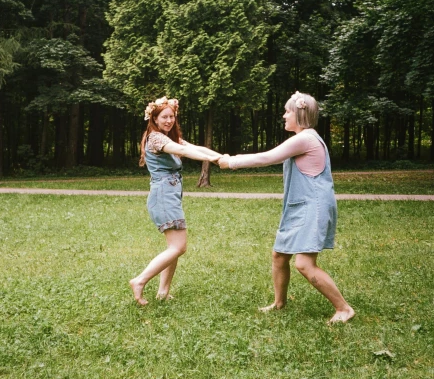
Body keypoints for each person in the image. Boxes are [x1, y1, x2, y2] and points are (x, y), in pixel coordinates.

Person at [219, 92, 355, 324]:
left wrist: (232, 161)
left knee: (304, 263)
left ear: (300, 114)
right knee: (279, 255)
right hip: (300, 206)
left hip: (313, 207)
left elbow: (267, 157)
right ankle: (279, 302)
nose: (283, 115)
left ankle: (344, 308)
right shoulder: (305, 138)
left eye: (287, 111)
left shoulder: (306, 139)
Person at [129, 96, 223, 305]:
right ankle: (140, 281)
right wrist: (214, 159)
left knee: (174, 247)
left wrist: (221, 156)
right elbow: (182, 151)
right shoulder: (156, 138)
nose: (169, 120)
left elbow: (195, 148)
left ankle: (163, 292)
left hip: (169, 196)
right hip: (163, 197)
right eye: (164, 117)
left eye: (172, 116)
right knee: (178, 247)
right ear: (154, 118)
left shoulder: (167, 137)